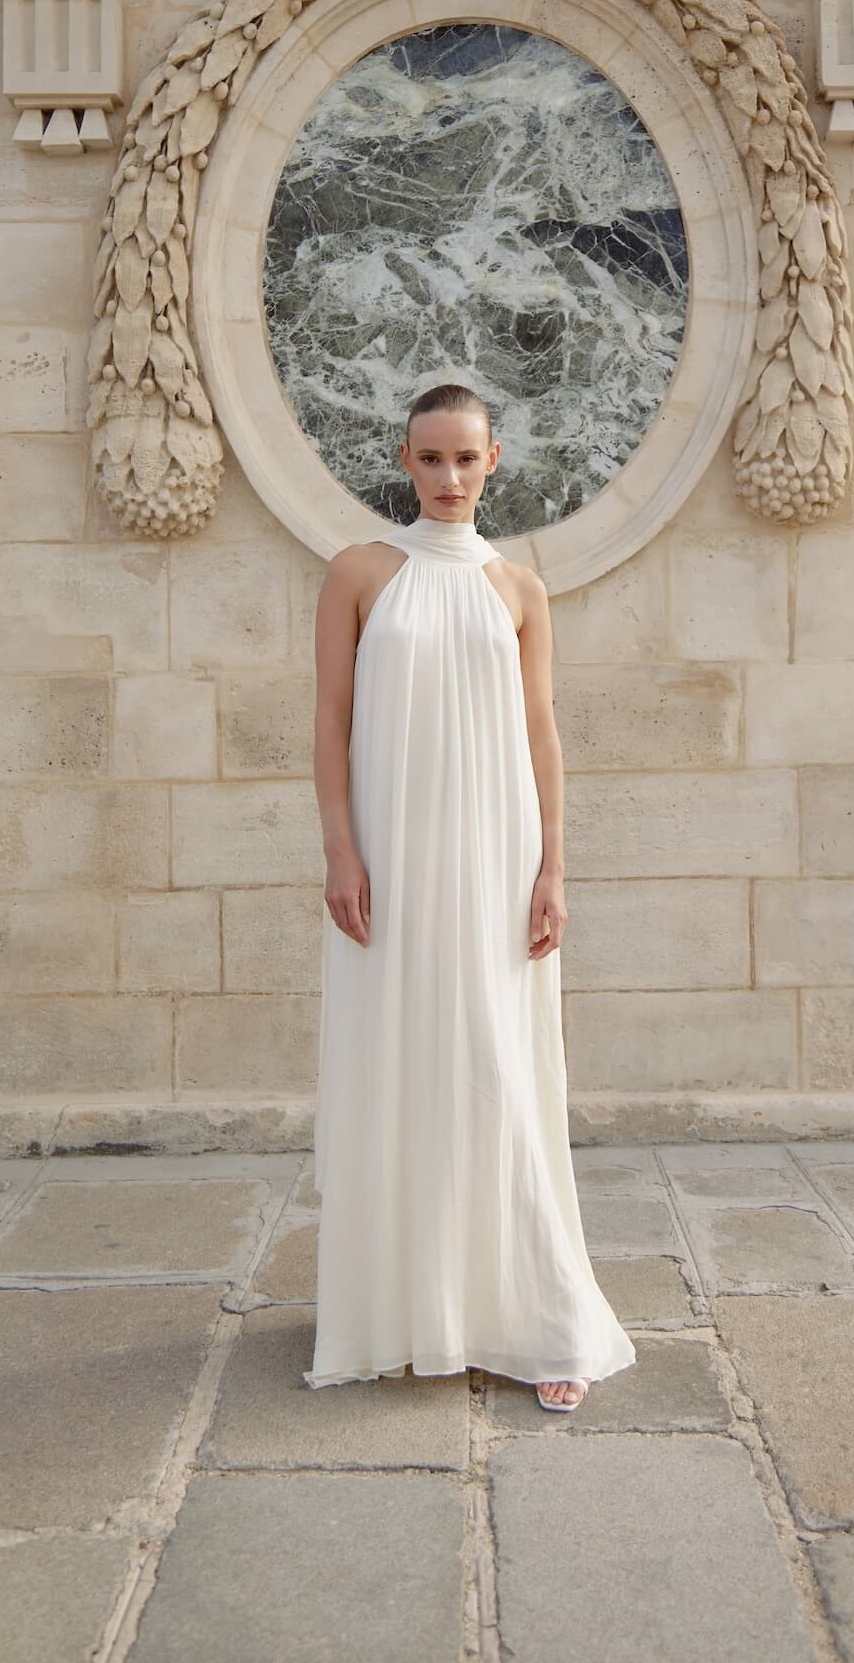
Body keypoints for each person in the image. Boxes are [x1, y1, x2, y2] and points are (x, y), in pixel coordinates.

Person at [302, 380, 636, 1412]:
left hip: (497, 856)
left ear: (495, 461)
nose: (448, 477)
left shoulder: (519, 588)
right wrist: (341, 851)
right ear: (404, 461)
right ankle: (415, 1313)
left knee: (499, 1070)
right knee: (401, 1063)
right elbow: (328, 721)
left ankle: (545, 1319)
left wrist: (553, 868)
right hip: (393, 861)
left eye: (465, 458)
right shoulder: (359, 572)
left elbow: (541, 734)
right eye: (430, 457)